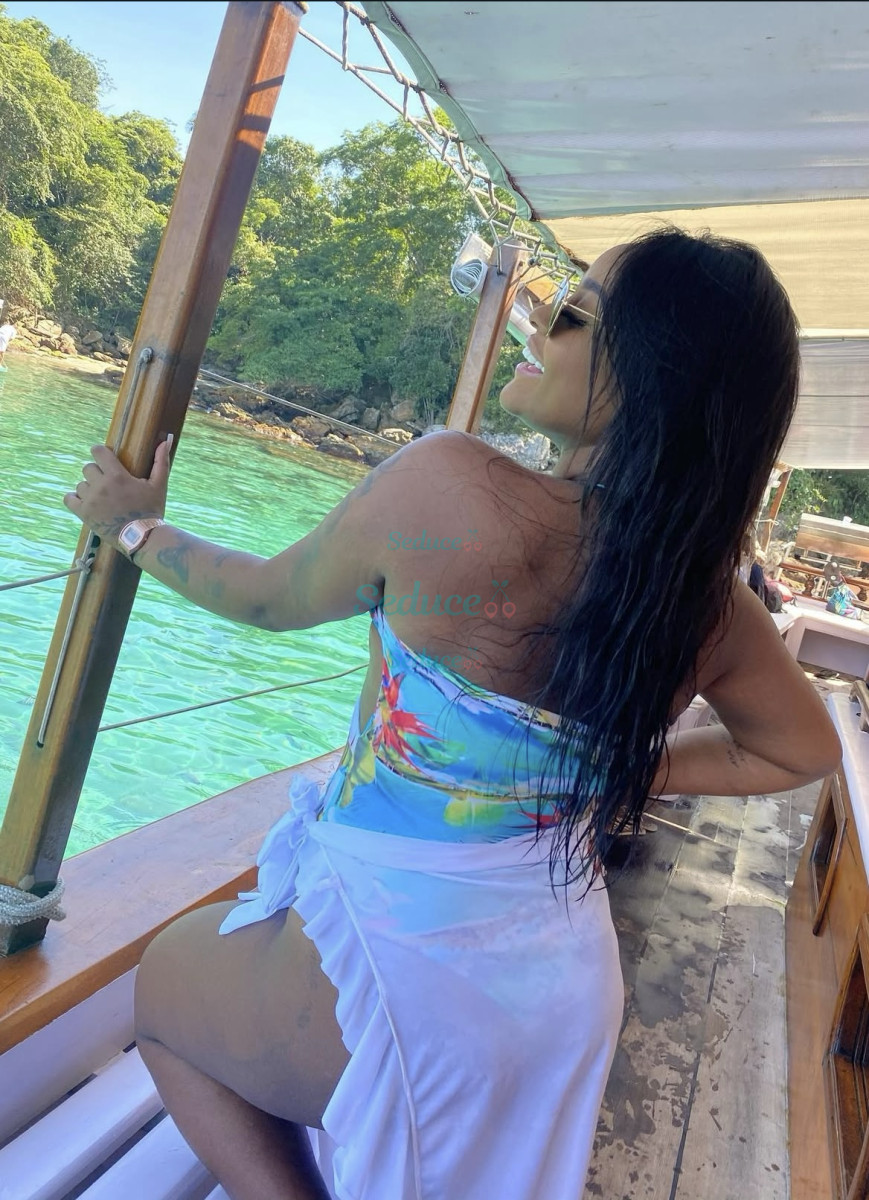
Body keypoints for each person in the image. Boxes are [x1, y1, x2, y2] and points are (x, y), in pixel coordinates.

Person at [64, 228, 841, 1200]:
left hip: (403, 976)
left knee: (164, 992)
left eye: (573, 313)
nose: (536, 321)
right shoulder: (704, 601)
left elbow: (264, 600)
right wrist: (618, 767)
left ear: (652, 373)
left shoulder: (451, 483)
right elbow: (799, 748)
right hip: (558, 997)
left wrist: (133, 524)